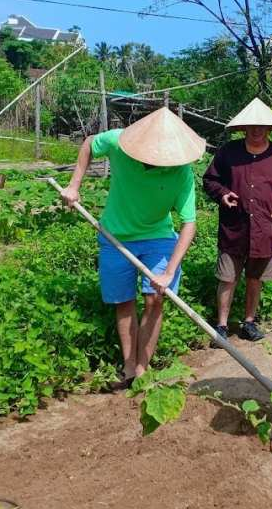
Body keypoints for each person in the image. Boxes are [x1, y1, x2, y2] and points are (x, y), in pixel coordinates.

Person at [59, 107, 205, 389]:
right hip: (116, 236)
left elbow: (189, 223)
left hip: (159, 238)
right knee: (124, 301)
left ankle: (142, 369)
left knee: (155, 298)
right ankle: (128, 365)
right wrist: (74, 185)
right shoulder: (118, 141)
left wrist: (168, 272)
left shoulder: (182, 173)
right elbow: (89, 143)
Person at [202, 98, 272, 342]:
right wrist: (223, 194)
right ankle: (222, 325)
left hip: (264, 228)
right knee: (227, 277)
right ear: (243, 128)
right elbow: (210, 180)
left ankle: (249, 321)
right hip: (234, 226)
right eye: (252, 126)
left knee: (254, 278)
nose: (257, 131)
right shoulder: (229, 152)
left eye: (262, 127)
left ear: (269, 129)